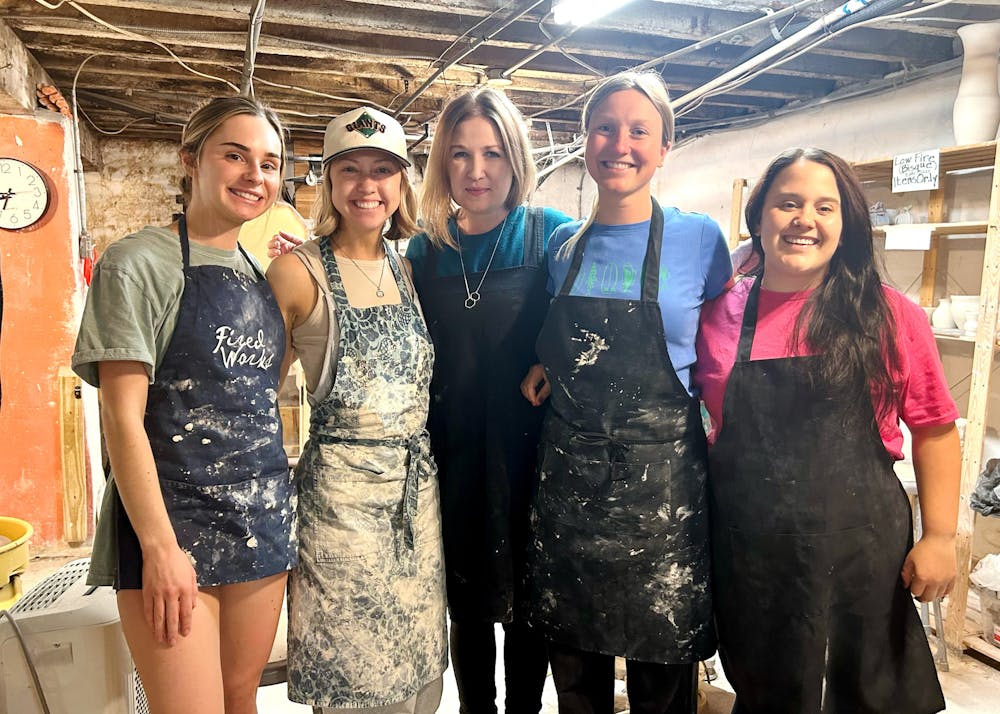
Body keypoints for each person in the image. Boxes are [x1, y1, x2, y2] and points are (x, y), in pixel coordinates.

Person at [693, 147, 959, 713]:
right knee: (768, 695)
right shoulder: (717, 313)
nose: (803, 220)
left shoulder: (889, 315)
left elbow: (935, 428)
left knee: (864, 695)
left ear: (847, 224)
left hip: (860, 556)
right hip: (751, 560)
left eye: (824, 207)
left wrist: (940, 537)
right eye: (787, 204)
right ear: (760, 217)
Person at [72, 96, 296, 714]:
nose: (255, 175)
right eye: (236, 155)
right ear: (190, 160)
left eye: (270, 163)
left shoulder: (267, 274)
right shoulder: (136, 264)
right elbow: (121, 419)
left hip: (259, 516)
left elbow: (260, 398)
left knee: (240, 698)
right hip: (170, 522)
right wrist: (161, 549)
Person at [520, 71, 732, 713]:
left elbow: (716, 346)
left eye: (640, 129)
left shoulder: (701, 240)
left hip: (663, 492)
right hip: (571, 491)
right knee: (577, 678)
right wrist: (547, 363)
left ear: (665, 146)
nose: (620, 143)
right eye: (605, 128)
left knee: (661, 680)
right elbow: (569, 340)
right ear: (586, 141)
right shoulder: (564, 247)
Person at [266, 106, 447, 713]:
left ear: (402, 183)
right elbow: (256, 396)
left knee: (419, 674)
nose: (367, 186)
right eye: (350, 170)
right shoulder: (296, 272)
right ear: (327, 180)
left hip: (415, 502)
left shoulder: (413, 265)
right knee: (357, 684)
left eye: (383, 170)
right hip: (340, 508)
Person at [403, 86, 574, 714]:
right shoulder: (426, 249)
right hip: (453, 452)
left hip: (530, 452)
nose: (477, 172)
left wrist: (555, 357)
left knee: (529, 613)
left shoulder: (549, 234)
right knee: (468, 611)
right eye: (460, 155)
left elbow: (593, 315)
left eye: (494, 154)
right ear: (442, 164)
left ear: (516, 159)